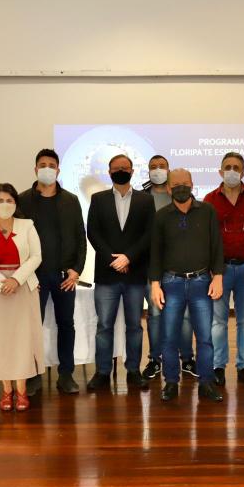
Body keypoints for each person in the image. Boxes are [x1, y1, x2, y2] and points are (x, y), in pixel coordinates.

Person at [150, 168, 225, 402]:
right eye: (176, 184)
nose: (181, 187)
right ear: (168, 188)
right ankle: (171, 382)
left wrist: (218, 276)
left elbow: (217, 245)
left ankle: (206, 382)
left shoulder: (207, 211)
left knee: (205, 338)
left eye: (185, 182)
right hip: (170, 283)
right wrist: (155, 284)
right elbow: (155, 252)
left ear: (192, 184)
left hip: (201, 282)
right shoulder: (161, 216)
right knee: (169, 338)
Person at [18, 149, 86, 395]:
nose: (47, 168)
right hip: (33, 277)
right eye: (42, 165)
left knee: (66, 324)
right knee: (32, 326)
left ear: (58, 170)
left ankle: (66, 375)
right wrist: (24, 274)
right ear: (35, 169)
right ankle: (33, 375)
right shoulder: (22, 200)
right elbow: (17, 240)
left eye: (51, 165)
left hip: (65, 276)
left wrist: (76, 270)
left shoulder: (71, 200)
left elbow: (80, 237)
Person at [0, 183, 44, 412]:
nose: (5, 204)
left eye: (9, 200)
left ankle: (21, 391)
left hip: (22, 288)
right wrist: (0, 282)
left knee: (21, 340)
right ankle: (6, 391)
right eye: (0, 200)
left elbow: (36, 256)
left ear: (16, 204)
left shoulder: (27, 225)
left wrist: (16, 280)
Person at [86, 154, 154, 391]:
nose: (121, 171)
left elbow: (149, 234)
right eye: (116, 168)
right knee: (104, 326)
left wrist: (129, 257)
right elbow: (93, 233)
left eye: (125, 168)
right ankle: (102, 372)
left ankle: (133, 370)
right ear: (109, 172)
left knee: (134, 326)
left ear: (132, 171)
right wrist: (113, 260)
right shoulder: (98, 199)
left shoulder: (146, 200)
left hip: (135, 274)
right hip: (107, 274)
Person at [203, 152, 244, 387]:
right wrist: (211, 270)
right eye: (227, 167)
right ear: (220, 172)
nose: (231, 171)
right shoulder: (210, 199)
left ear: (243, 172)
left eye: (236, 167)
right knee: (218, 322)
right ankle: (218, 366)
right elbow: (207, 238)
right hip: (220, 271)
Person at [141, 155, 196, 381]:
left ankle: (187, 359)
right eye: (153, 167)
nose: (158, 170)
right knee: (155, 315)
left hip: (180, 268)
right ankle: (155, 359)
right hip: (152, 267)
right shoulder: (142, 198)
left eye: (162, 166)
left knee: (185, 316)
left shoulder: (184, 198)